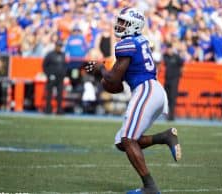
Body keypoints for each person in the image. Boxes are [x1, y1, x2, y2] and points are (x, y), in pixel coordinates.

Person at [84, 7, 181, 194]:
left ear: (134, 25)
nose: (119, 25)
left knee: (128, 138)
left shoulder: (126, 44)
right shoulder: (140, 41)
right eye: (119, 21)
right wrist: (103, 74)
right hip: (151, 90)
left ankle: (150, 187)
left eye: (124, 22)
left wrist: (101, 69)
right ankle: (165, 137)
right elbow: (116, 85)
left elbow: (112, 80)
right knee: (122, 142)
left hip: (146, 90)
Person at [42, 40, 66, 114]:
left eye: (60, 46)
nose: (59, 48)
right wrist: (49, 75)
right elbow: (44, 65)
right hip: (52, 77)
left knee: (60, 94)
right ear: (55, 46)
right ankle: (48, 109)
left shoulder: (62, 55)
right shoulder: (50, 55)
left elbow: (64, 65)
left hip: (60, 78)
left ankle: (59, 109)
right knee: (49, 94)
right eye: (58, 46)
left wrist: (63, 74)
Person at [163, 43, 184, 121]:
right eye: (167, 49)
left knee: (172, 97)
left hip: (174, 80)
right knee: (167, 98)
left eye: (169, 48)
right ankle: (168, 114)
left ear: (172, 49)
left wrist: (179, 75)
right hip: (167, 80)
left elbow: (182, 65)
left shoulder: (176, 57)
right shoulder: (165, 56)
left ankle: (171, 116)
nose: (168, 50)